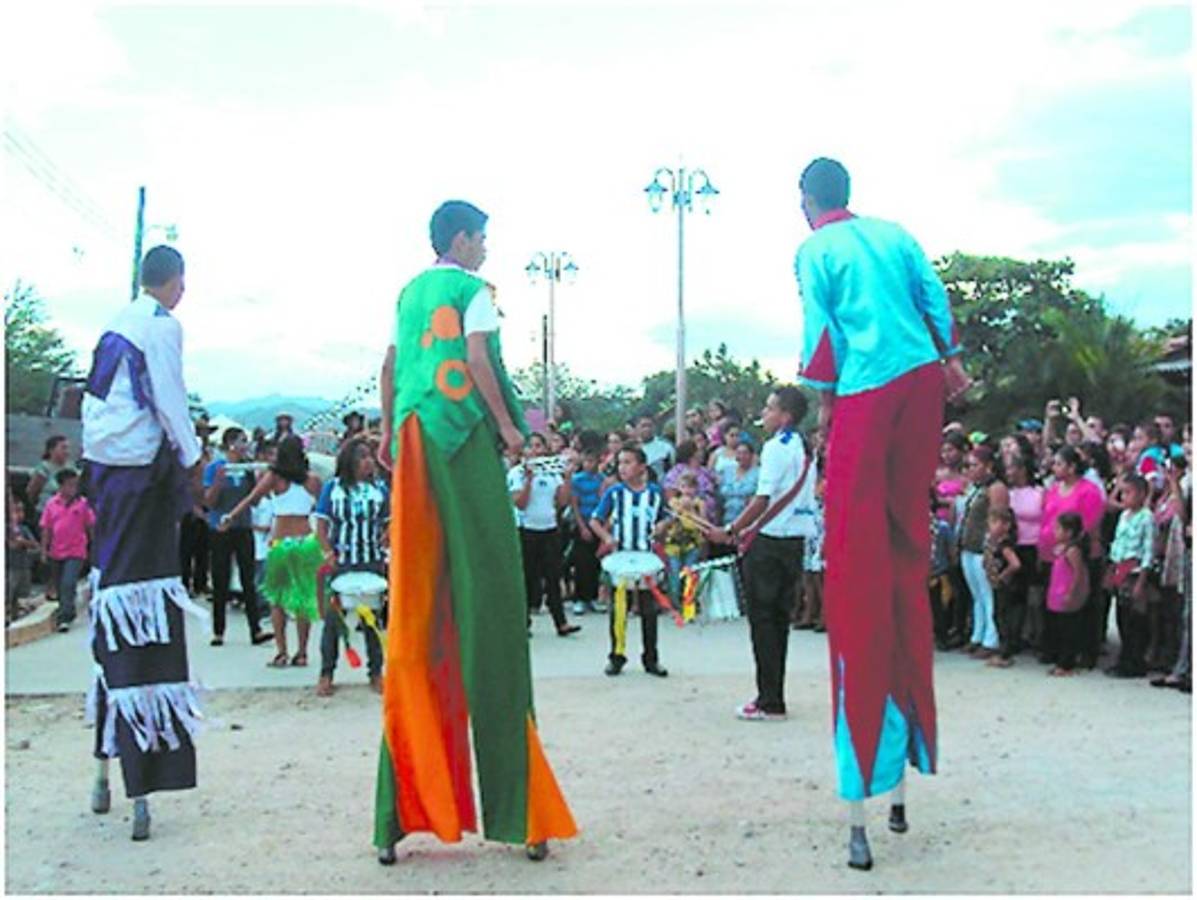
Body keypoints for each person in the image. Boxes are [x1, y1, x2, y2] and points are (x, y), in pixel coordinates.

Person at [372, 200, 576, 864]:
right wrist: (513, 430)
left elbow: (390, 366)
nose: (486, 247)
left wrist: (383, 435)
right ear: (460, 239)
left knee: (414, 620)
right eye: (482, 236)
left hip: (410, 445)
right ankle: (523, 815)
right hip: (460, 444)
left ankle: (396, 816)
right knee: (492, 614)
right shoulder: (473, 291)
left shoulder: (409, 292)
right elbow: (482, 363)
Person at [790, 157, 970, 870]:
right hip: (920, 383)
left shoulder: (814, 249)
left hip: (868, 392)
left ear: (806, 202)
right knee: (900, 549)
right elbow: (930, 294)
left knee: (859, 562)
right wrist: (949, 358)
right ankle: (896, 769)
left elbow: (819, 334)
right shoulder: (894, 233)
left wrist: (825, 405)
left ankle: (869, 768)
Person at [81, 244, 207, 841]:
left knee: (114, 599)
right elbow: (169, 398)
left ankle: (107, 772)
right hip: (140, 478)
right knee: (143, 610)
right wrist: (193, 460)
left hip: (107, 475)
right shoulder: (161, 326)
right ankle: (140, 778)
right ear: (174, 281)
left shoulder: (113, 323)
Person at [709, 387, 816, 721]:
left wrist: (731, 530)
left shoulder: (774, 449)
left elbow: (762, 499)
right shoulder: (805, 447)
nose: (764, 414)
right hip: (794, 541)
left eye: (770, 408)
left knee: (763, 623)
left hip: (769, 543)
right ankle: (773, 695)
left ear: (785, 415)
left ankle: (769, 700)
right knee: (779, 621)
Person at [221, 434, 323, 667]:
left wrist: (231, 516)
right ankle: (303, 652)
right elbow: (323, 508)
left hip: (280, 541)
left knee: (277, 601)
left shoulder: (275, 478)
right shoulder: (313, 480)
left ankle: (282, 652)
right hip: (305, 541)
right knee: (302, 601)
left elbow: (251, 498)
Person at [313, 438, 389, 696]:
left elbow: (390, 520)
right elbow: (321, 525)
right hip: (341, 561)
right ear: (350, 462)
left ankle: (376, 672)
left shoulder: (380, 489)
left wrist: (387, 535)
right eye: (362, 457)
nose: (369, 461)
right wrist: (327, 552)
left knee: (372, 621)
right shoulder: (332, 489)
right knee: (334, 621)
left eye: (370, 456)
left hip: (372, 560)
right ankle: (326, 673)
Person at [589, 445, 671, 678]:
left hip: (646, 558)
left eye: (628, 462)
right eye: (621, 462)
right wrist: (607, 538)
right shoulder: (614, 493)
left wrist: (662, 526)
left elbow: (666, 517)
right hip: (622, 558)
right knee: (619, 609)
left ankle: (651, 658)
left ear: (642, 466)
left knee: (649, 609)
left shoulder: (654, 493)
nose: (623, 467)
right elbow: (596, 519)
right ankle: (616, 656)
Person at [203, 427, 272, 647]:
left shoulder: (246, 468)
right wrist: (218, 482)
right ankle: (218, 631)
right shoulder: (215, 467)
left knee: (248, 579)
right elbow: (209, 502)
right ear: (231, 444)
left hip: (243, 528)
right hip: (220, 529)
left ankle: (255, 629)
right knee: (221, 579)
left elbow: (254, 500)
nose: (245, 446)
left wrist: (261, 484)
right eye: (242, 442)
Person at [1038, 446, 1105, 668]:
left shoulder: (1088, 490)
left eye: (1059, 463)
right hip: (1052, 554)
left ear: (1072, 466)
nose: (1054, 468)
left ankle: (1085, 651)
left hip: (1078, 554)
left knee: (1081, 603)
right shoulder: (1054, 488)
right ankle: (1054, 649)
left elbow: (1089, 523)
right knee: (1053, 602)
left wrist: (1070, 546)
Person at [508, 434, 580, 636]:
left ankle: (561, 622)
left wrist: (567, 478)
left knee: (553, 576)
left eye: (539, 446)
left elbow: (562, 501)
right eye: (531, 447)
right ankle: (524, 621)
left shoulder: (551, 472)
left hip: (549, 529)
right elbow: (520, 503)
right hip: (526, 529)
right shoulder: (516, 473)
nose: (535, 450)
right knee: (527, 577)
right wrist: (529, 480)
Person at [957, 446, 1009, 660]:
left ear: (988, 466)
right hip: (969, 545)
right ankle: (977, 635)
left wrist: (991, 547)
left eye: (974, 465)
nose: (969, 469)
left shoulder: (996, 488)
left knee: (988, 596)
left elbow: (998, 520)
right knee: (976, 595)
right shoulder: (974, 487)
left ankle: (991, 639)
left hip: (983, 547)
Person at [1104, 474, 1154, 678]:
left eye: (1129, 492)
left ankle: (1135, 661)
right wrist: (1111, 570)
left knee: (1136, 619)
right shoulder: (1124, 516)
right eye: (1122, 492)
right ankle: (1124, 658)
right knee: (1122, 616)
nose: (1124, 497)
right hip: (1120, 568)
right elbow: (1118, 543)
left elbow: (1148, 551)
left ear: (1142, 494)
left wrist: (1141, 581)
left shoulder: (1146, 517)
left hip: (1134, 570)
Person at [38, 468, 94, 632]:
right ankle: (66, 607)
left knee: (68, 582)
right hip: (56, 551)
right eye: (69, 485)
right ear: (61, 486)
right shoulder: (51, 504)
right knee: (59, 584)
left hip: (76, 551)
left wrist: (94, 547)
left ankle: (65, 617)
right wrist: (43, 550)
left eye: (75, 485)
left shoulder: (82, 504)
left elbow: (90, 526)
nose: (72, 489)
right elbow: (46, 529)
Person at [1045, 513, 1090, 676]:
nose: (1054, 531)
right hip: (1057, 592)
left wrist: (1072, 592)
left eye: (1058, 528)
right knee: (1059, 628)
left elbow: (1078, 573)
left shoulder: (1073, 551)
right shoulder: (1060, 549)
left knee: (1068, 630)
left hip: (1067, 593)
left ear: (1069, 532)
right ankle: (1060, 660)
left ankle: (1067, 663)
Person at [569, 439, 605, 615]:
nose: (589, 464)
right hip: (582, 522)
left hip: (597, 523)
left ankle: (592, 597)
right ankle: (579, 598)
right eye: (587, 461)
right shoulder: (576, 480)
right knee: (581, 563)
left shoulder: (602, 480)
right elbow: (574, 504)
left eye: (593, 461)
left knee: (595, 563)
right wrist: (581, 526)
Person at [983, 507, 1022, 667]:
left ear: (1006, 525)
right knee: (998, 615)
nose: (992, 526)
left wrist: (1002, 576)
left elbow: (1015, 564)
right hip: (997, 585)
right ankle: (1004, 649)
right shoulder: (994, 542)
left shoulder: (1005, 545)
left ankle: (1005, 652)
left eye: (995, 522)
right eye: (991, 522)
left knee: (1002, 617)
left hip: (1005, 586)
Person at [663, 472, 705, 604]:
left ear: (696, 488)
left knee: (690, 572)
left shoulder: (700, 503)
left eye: (690, 487)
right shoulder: (674, 502)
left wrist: (692, 509)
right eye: (683, 486)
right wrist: (679, 510)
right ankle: (674, 602)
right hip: (674, 543)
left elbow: (704, 522)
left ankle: (689, 602)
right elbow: (670, 520)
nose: (687, 490)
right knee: (674, 573)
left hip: (692, 542)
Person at [25, 435, 72, 540]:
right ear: (51, 450)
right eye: (63, 448)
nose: (67, 451)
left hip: (68, 515)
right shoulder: (43, 468)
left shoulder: (71, 467)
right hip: (47, 514)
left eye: (68, 448)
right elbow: (31, 492)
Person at [663, 440, 719, 524]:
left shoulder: (705, 471)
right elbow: (670, 496)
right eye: (698, 450)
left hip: (707, 519)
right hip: (687, 518)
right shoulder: (677, 471)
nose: (701, 452)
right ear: (692, 453)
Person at [6, 487, 40, 623]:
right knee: (8, 592)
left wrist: (24, 542)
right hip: (10, 567)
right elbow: (12, 545)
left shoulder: (24, 529)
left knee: (20, 594)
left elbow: (34, 544)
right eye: (16, 511)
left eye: (22, 511)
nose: (20, 514)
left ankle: (15, 615)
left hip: (23, 566)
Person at [635, 414, 674, 482]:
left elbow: (673, 469)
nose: (647, 429)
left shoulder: (666, 447)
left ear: (654, 427)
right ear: (637, 428)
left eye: (649, 426)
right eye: (643, 426)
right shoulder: (631, 447)